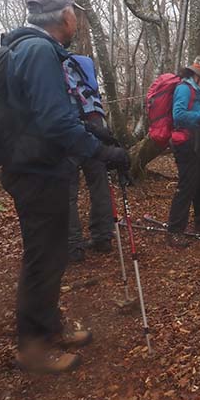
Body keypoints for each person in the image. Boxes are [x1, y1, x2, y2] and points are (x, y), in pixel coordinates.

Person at [2, 0, 129, 373]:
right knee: (43, 258)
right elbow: (55, 122)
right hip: (37, 170)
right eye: (75, 13)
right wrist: (100, 151)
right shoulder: (39, 51)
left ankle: (49, 328)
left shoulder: (30, 48)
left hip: (38, 166)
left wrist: (95, 132)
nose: (77, 19)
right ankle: (33, 348)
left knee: (52, 255)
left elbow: (52, 114)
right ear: (66, 16)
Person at [65, 53, 115, 263]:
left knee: (68, 191)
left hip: (71, 128)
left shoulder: (57, 64)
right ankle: (103, 237)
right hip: (96, 124)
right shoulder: (86, 66)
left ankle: (73, 246)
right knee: (99, 184)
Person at [166, 56, 200, 248]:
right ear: (197, 75)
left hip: (199, 143)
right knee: (187, 186)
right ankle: (174, 231)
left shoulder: (198, 92)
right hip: (186, 144)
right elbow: (178, 116)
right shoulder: (184, 89)